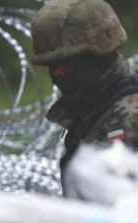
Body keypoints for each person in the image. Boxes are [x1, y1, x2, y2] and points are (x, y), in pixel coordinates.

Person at [30, 0, 138, 196]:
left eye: (67, 62)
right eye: (51, 65)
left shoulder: (125, 115)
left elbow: (119, 207)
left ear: (100, 53)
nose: (58, 73)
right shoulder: (93, 106)